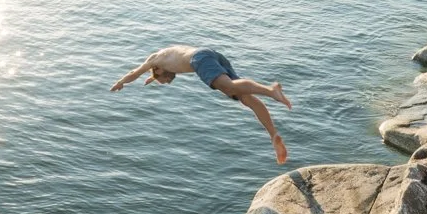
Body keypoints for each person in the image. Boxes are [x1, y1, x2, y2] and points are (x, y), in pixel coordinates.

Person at [110, 45, 291, 164]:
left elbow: (135, 72)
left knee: (228, 88)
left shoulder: (154, 61)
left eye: (166, 78)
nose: (170, 78)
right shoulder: (166, 57)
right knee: (244, 97)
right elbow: (168, 66)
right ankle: (273, 135)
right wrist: (153, 77)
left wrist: (121, 82)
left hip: (200, 60)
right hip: (212, 54)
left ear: (157, 69)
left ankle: (271, 91)